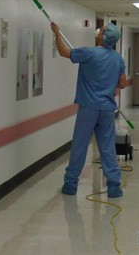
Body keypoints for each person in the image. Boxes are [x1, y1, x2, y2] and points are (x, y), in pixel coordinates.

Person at [50, 22, 126, 198]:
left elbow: (63, 52)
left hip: (89, 108)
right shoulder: (117, 58)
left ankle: (70, 184)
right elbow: (122, 83)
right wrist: (107, 81)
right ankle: (114, 186)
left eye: (103, 29)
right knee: (107, 147)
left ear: (103, 36)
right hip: (107, 109)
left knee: (80, 145)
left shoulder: (88, 53)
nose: (99, 30)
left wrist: (57, 33)